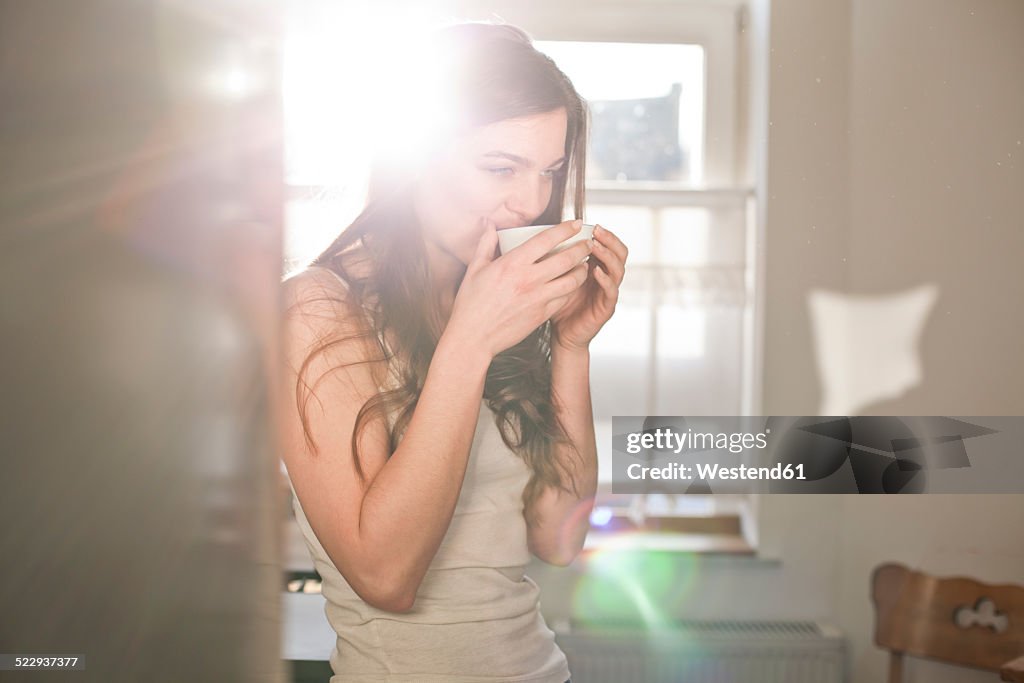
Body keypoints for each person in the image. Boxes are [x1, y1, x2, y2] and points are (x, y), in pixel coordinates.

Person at [279, 20, 628, 683]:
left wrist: (573, 347)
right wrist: (470, 342)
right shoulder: (319, 309)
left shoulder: (498, 305)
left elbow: (558, 538)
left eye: (549, 172)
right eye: (500, 167)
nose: (532, 201)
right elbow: (386, 577)